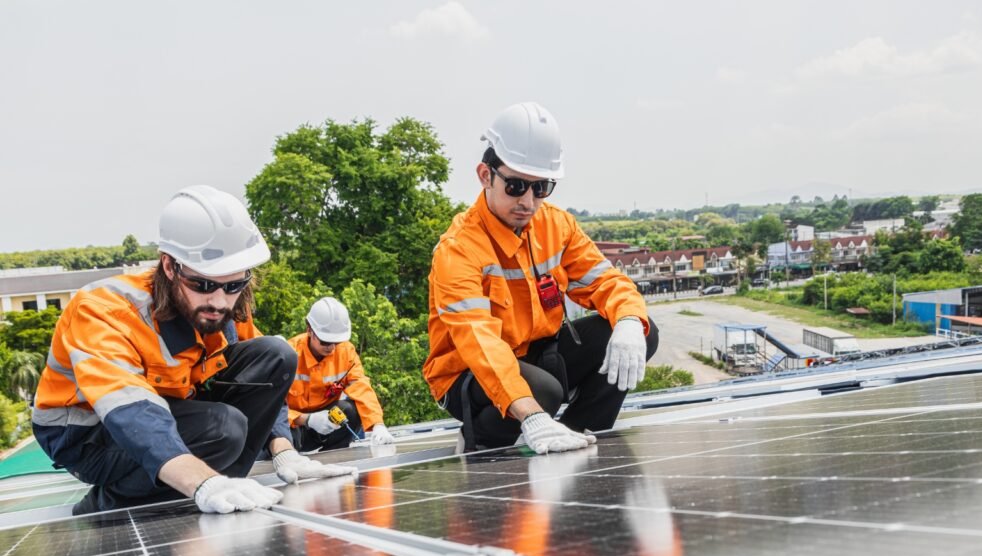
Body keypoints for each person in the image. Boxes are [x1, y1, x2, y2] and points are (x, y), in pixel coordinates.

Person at [32, 185, 355, 515]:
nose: (218, 301)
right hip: (87, 433)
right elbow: (131, 409)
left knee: (276, 354)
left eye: (232, 285)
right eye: (202, 284)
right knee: (223, 430)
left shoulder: (226, 306)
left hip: (170, 406)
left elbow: (265, 377)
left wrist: (284, 450)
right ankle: (113, 503)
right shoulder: (104, 309)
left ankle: (227, 483)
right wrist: (202, 483)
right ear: (170, 266)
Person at [423, 102, 658, 454]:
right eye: (516, 186)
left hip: (537, 354)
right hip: (468, 372)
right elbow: (479, 342)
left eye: (541, 188)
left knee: (643, 331)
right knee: (543, 391)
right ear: (485, 175)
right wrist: (531, 415)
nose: (529, 202)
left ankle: (575, 435)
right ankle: (486, 445)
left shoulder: (556, 225)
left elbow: (607, 283)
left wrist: (627, 319)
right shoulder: (458, 249)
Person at [286, 297, 395, 451]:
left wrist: (378, 424)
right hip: (294, 428)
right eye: (325, 342)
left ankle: (334, 454)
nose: (331, 348)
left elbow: (361, 387)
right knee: (278, 433)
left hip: (328, 426)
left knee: (351, 410)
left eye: (336, 342)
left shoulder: (346, 352)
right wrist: (305, 419)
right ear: (309, 330)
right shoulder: (288, 355)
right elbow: (272, 408)